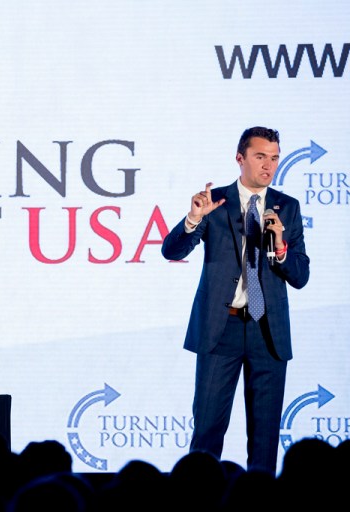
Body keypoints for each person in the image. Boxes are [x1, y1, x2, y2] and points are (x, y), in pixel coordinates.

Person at [161, 126, 310, 476]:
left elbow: (300, 276)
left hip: (268, 332)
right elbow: (172, 251)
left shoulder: (287, 207)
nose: (269, 165)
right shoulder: (214, 202)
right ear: (240, 158)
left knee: (265, 437)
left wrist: (280, 247)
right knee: (207, 431)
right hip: (220, 328)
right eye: (260, 157)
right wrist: (194, 219)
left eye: (274, 158)